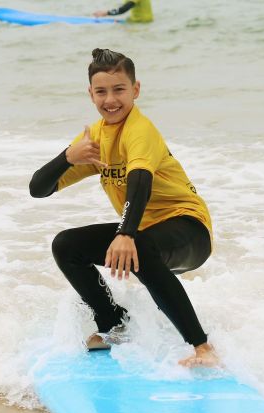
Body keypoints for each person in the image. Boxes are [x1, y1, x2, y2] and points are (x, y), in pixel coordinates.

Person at [29, 48, 218, 368]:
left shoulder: (139, 130)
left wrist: (126, 234)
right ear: (91, 94)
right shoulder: (95, 137)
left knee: (139, 246)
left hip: (190, 230)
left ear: (135, 89)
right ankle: (114, 323)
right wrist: (67, 157)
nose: (110, 99)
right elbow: (38, 189)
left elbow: (140, 180)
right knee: (66, 245)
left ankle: (202, 347)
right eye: (101, 91)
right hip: (145, 234)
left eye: (119, 89)